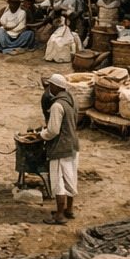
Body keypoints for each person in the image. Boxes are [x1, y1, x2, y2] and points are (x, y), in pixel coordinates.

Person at [40, 73, 79, 225]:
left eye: (51, 85)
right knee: (71, 178)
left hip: (60, 147)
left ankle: (60, 215)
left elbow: (53, 131)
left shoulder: (57, 105)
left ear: (56, 86)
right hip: (73, 144)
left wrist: (41, 135)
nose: (49, 88)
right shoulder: (72, 99)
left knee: (58, 181)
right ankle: (69, 209)